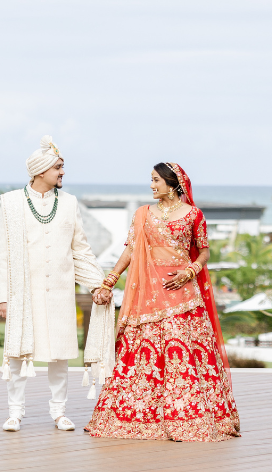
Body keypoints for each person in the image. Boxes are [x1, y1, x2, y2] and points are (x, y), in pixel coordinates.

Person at [86, 162, 240, 442]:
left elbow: (204, 253)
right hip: (147, 293)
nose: (151, 185)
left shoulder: (194, 214)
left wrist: (189, 272)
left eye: (156, 180)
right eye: (152, 179)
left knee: (184, 356)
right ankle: (139, 416)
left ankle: (189, 415)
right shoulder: (143, 214)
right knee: (142, 356)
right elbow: (131, 250)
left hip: (183, 294)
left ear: (172, 183)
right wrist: (110, 280)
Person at [0, 135, 113, 433]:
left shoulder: (70, 203)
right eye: (58, 168)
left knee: (59, 354)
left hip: (60, 292)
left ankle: (59, 412)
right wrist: (3, 297)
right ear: (40, 171)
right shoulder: (11, 203)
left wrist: (97, 284)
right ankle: (15, 412)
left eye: (63, 167)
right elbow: (3, 254)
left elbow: (81, 249)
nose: (63, 173)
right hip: (23, 292)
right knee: (19, 354)